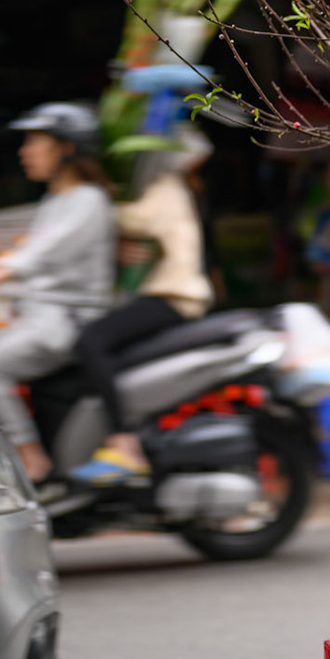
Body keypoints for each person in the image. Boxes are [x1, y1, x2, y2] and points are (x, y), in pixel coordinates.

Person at [0, 103, 116, 483]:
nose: (25, 151)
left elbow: (37, 256)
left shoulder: (88, 200)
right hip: (42, 316)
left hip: (66, 321)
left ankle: (30, 458)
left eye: (35, 142)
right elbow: (23, 251)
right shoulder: (56, 200)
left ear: (67, 148)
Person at [69, 130, 217, 486]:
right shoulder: (164, 187)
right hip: (164, 294)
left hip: (174, 296)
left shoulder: (166, 186)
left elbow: (135, 220)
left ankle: (124, 443)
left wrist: (92, 195)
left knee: (92, 342)